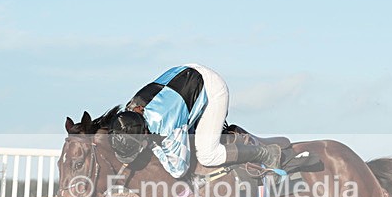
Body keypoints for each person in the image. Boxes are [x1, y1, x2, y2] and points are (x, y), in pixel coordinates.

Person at [109, 64, 281, 178]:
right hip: (185, 72)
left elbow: (178, 170)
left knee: (207, 155)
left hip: (212, 89)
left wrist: (153, 145)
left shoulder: (164, 123)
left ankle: (264, 153)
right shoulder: (130, 110)